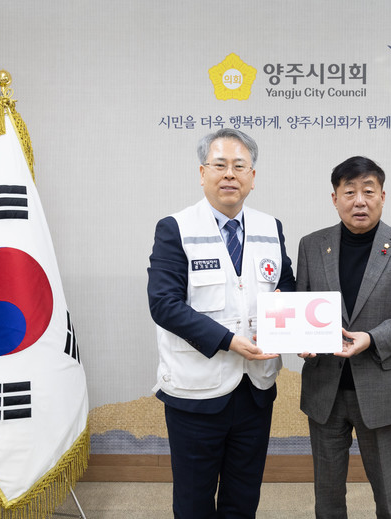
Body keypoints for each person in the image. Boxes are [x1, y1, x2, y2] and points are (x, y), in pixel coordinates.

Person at [147, 128, 295, 518]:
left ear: (252, 176)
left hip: (255, 389)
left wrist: (296, 324)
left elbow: (286, 286)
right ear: (202, 173)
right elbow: (164, 304)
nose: (230, 174)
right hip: (196, 392)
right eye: (220, 165)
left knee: (243, 497)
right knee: (194, 501)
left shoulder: (270, 227)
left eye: (239, 166)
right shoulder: (176, 228)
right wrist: (228, 340)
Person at [297, 156, 391, 519]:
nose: (359, 201)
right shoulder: (311, 245)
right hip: (324, 390)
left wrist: (371, 338)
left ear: (382, 196)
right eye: (350, 192)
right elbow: (301, 306)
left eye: (368, 191)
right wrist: (299, 339)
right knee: (327, 497)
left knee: (389, 498)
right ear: (335, 198)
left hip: (380, 389)